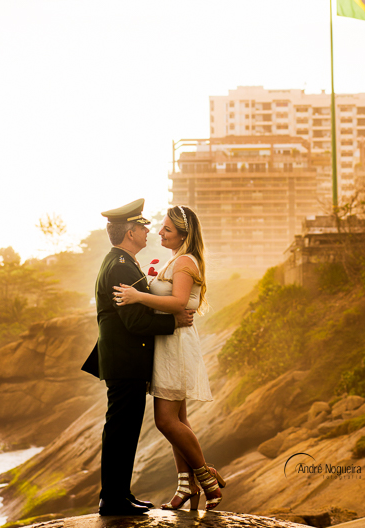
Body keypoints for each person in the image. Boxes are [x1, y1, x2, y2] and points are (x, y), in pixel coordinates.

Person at [81, 198, 195, 517]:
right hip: (125, 362)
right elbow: (135, 321)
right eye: (143, 227)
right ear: (130, 232)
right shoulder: (120, 265)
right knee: (120, 431)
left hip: (125, 361)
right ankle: (113, 499)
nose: (148, 232)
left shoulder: (122, 262)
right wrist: (174, 321)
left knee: (124, 431)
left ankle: (120, 495)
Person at [113, 204, 225, 511]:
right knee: (179, 420)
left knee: (165, 421)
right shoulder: (176, 260)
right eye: (161, 227)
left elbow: (177, 302)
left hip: (175, 345)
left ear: (183, 236)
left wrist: (138, 296)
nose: (159, 232)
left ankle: (206, 478)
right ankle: (185, 486)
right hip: (168, 343)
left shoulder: (185, 261)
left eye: (167, 229)